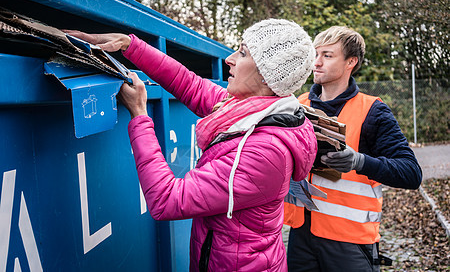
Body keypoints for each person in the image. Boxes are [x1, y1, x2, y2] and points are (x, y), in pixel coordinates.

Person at [66, 19, 318, 271]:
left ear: (265, 76)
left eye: (242, 53)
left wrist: (140, 115)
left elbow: (166, 200)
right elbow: (190, 85)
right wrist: (130, 45)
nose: (229, 59)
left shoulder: (265, 152)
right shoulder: (249, 109)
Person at [284, 26, 423, 271]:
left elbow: (411, 173)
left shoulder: (373, 111)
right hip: (300, 238)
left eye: (327, 55)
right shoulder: (298, 105)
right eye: (315, 54)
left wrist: (359, 162)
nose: (316, 63)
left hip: (350, 244)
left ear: (351, 61)